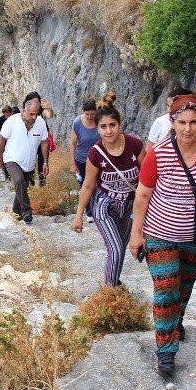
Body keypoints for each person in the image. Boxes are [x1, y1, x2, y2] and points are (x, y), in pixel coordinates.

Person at [129, 93, 196, 379]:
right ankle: (166, 350)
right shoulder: (159, 154)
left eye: (194, 122)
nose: (187, 128)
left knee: (183, 289)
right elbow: (143, 194)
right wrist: (136, 234)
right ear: (172, 122)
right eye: (182, 122)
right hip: (159, 233)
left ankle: (176, 321)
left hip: (195, 236)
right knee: (166, 288)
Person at [72, 93, 145, 287]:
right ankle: (109, 292)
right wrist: (79, 214)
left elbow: (147, 178)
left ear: (119, 125)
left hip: (131, 206)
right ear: (97, 129)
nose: (108, 131)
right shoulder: (95, 154)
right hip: (105, 205)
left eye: (112, 125)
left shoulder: (134, 145)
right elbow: (88, 185)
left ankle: (114, 283)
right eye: (103, 127)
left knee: (120, 248)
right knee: (115, 248)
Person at [0, 98, 49, 225]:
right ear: (24, 110)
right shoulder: (12, 121)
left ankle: (16, 212)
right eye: (31, 114)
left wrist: (45, 162)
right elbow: (1, 140)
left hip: (29, 163)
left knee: (22, 185)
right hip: (11, 159)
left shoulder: (40, 123)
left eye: (36, 114)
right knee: (19, 181)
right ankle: (27, 211)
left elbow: (44, 142)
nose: (34, 117)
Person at [69, 98, 101, 221]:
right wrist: (72, 164)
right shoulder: (77, 122)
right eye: (86, 114)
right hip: (81, 160)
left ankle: (99, 209)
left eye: (92, 114)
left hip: (98, 160)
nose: (89, 116)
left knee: (98, 186)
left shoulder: (101, 121)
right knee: (85, 186)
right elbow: (72, 143)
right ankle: (89, 212)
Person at [145, 86, 191, 154]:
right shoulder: (160, 122)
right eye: (168, 106)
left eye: (173, 106)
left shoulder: (192, 124)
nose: (169, 110)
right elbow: (149, 149)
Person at [24, 91, 55, 186]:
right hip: (30, 140)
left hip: (42, 140)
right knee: (30, 163)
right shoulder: (26, 112)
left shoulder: (41, 112)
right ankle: (30, 183)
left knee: (42, 162)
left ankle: (42, 183)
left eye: (37, 102)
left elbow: (49, 115)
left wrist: (49, 108)